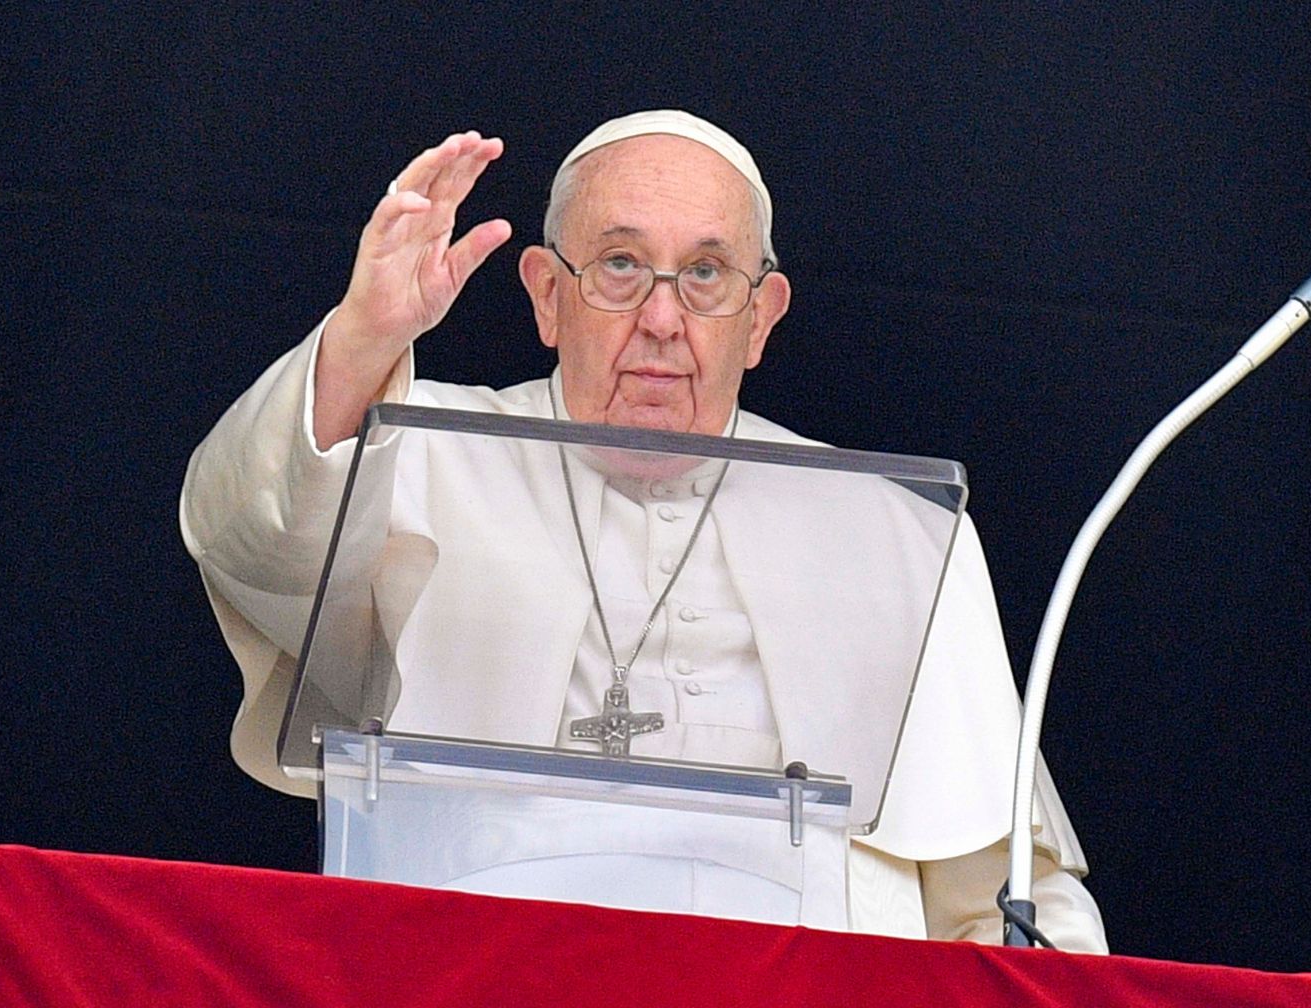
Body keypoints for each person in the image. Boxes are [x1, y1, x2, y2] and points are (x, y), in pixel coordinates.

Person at [182, 111, 1107, 950]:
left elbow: (1009, 893)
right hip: (479, 995)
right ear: (546, 294)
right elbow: (250, 541)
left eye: (706, 274)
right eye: (621, 266)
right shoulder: (414, 449)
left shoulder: (899, 532)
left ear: (760, 318)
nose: (663, 319)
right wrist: (360, 341)